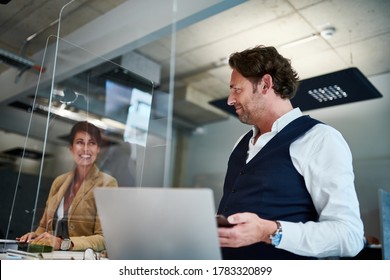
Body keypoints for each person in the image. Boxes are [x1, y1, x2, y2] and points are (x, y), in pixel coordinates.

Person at [217, 45, 365, 260]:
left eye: (237, 89)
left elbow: (349, 236)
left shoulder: (319, 138)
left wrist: (269, 231)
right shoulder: (241, 143)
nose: (230, 99)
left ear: (266, 84)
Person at [18, 121, 118, 252]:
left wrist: (64, 243)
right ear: (71, 148)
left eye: (92, 143)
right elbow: (43, 226)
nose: (86, 148)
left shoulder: (107, 183)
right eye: (80, 142)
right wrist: (36, 236)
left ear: (98, 149)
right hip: (52, 258)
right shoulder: (59, 181)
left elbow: (104, 238)